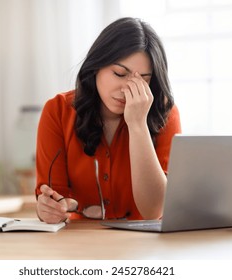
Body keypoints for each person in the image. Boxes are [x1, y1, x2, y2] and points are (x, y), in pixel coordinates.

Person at [35, 17, 181, 224]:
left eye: (143, 80)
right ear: (96, 66)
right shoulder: (57, 111)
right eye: (119, 74)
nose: (127, 89)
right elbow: (52, 197)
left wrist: (138, 125)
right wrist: (49, 209)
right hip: (78, 244)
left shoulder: (165, 113)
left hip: (143, 247)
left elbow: (153, 210)